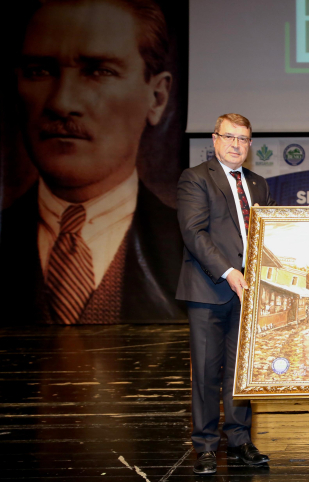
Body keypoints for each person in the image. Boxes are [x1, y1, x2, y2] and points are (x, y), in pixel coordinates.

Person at [0, 0, 184, 324]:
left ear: (156, 97)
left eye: (99, 71)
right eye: (39, 71)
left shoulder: (194, 244)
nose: (61, 102)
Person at [176, 113, 276, 475]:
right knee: (206, 372)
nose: (236, 144)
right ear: (215, 139)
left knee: (240, 371)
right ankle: (205, 445)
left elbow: (267, 236)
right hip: (210, 288)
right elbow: (194, 232)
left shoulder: (259, 184)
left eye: (243, 139)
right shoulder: (195, 178)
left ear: (250, 144)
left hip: (249, 292)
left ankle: (239, 440)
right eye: (229, 137)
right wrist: (229, 271)